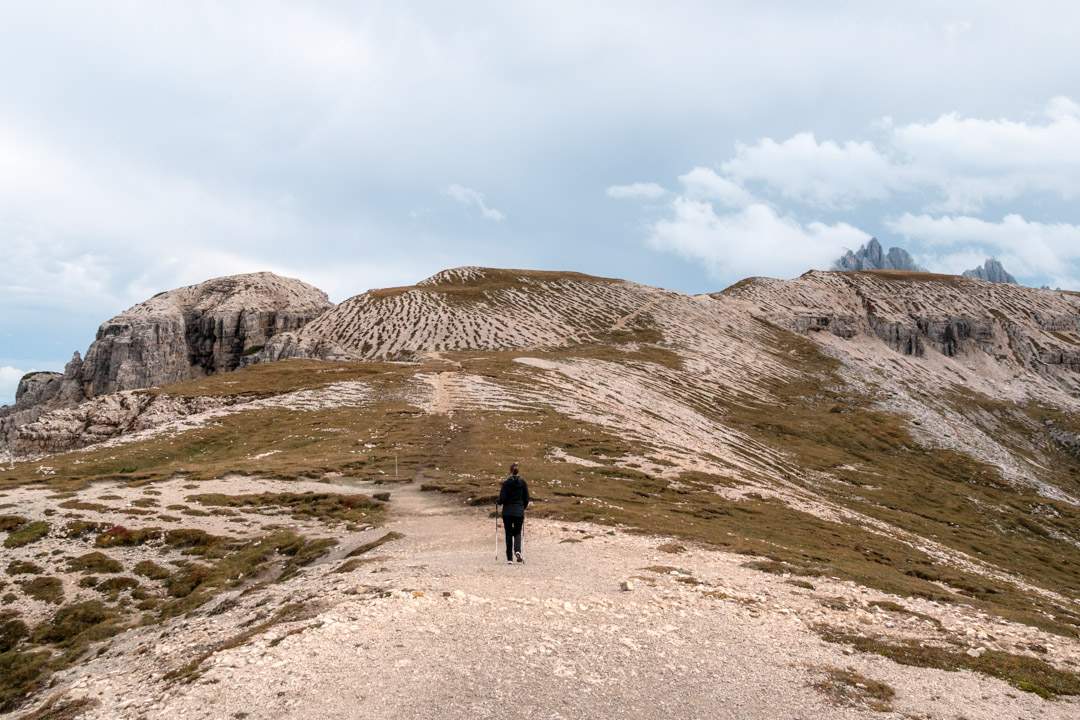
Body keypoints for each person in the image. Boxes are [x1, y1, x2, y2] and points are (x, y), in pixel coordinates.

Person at [497, 462, 530, 564]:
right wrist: (522, 508)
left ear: (510, 471)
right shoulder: (523, 483)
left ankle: (509, 559)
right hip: (519, 512)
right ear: (518, 471)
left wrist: (498, 502)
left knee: (508, 533)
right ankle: (517, 551)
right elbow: (526, 498)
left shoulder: (506, 483)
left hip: (507, 512)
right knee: (517, 532)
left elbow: (502, 499)